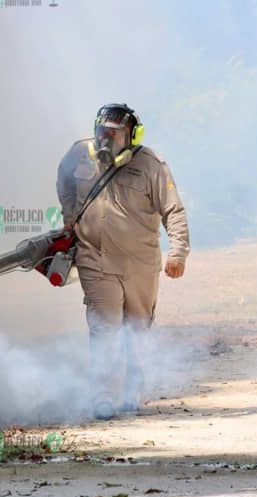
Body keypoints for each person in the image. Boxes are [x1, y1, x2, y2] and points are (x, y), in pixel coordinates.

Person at [56, 103, 189, 420]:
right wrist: (70, 214)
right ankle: (101, 394)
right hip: (96, 258)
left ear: (131, 136)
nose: (107, 140)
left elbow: (174, 211)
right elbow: (64, 180)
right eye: (103, 132)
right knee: (104, 326)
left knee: (137, 328)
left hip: (141, 264)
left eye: (115, 134)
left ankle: (131, 389)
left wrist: (178, 252)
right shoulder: (79, 154)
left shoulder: (151, 165)